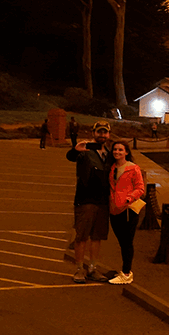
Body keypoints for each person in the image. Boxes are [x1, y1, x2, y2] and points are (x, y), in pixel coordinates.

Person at [66, 121, 114, 283]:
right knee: (82, 236)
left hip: (102, 201)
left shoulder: (109, 153)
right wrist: (75, 150)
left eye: (105, 132)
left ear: (108, 134)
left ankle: (92, 268)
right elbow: (70, 157)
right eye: (99, 132)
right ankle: (79, 269)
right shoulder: (85, 150)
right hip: (85, 199)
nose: (102, 135)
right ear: (93, 133)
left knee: (97, 236)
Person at [107, 139, 145, 285]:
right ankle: (124, 271)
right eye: (115, 149)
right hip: (114, 209)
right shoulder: (112, 168)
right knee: (122, 242)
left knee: (127, 242)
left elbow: (140, 188)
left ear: (126, 152)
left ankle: (127, 273)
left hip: (129, 210)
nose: (117, 152)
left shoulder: (133, 168)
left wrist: (129, 198)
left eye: (120, 150)